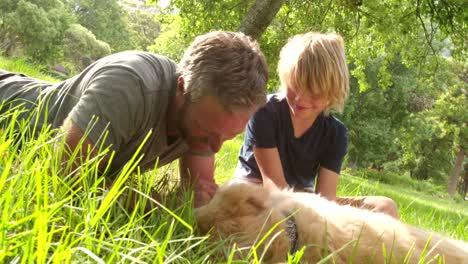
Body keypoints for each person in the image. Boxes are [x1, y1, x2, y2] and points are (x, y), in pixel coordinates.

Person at [0, 31, 268, 207]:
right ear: (182, 87)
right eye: (207, 131)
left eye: (230, 136)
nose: (216, 147)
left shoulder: (206, 120)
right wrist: (149, 202)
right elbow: (62, 172)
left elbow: (195, 199)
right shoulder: (129, 85)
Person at [233, 32, 399, 219]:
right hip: (256, 192)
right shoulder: (265, 112)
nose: (300, 98)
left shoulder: (336, 134)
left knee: (385, 206)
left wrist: (322, 210)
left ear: (332, 93)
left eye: (314, 92)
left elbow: (326, 199)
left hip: (303, 198)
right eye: (295, 85)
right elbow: (275, 189)